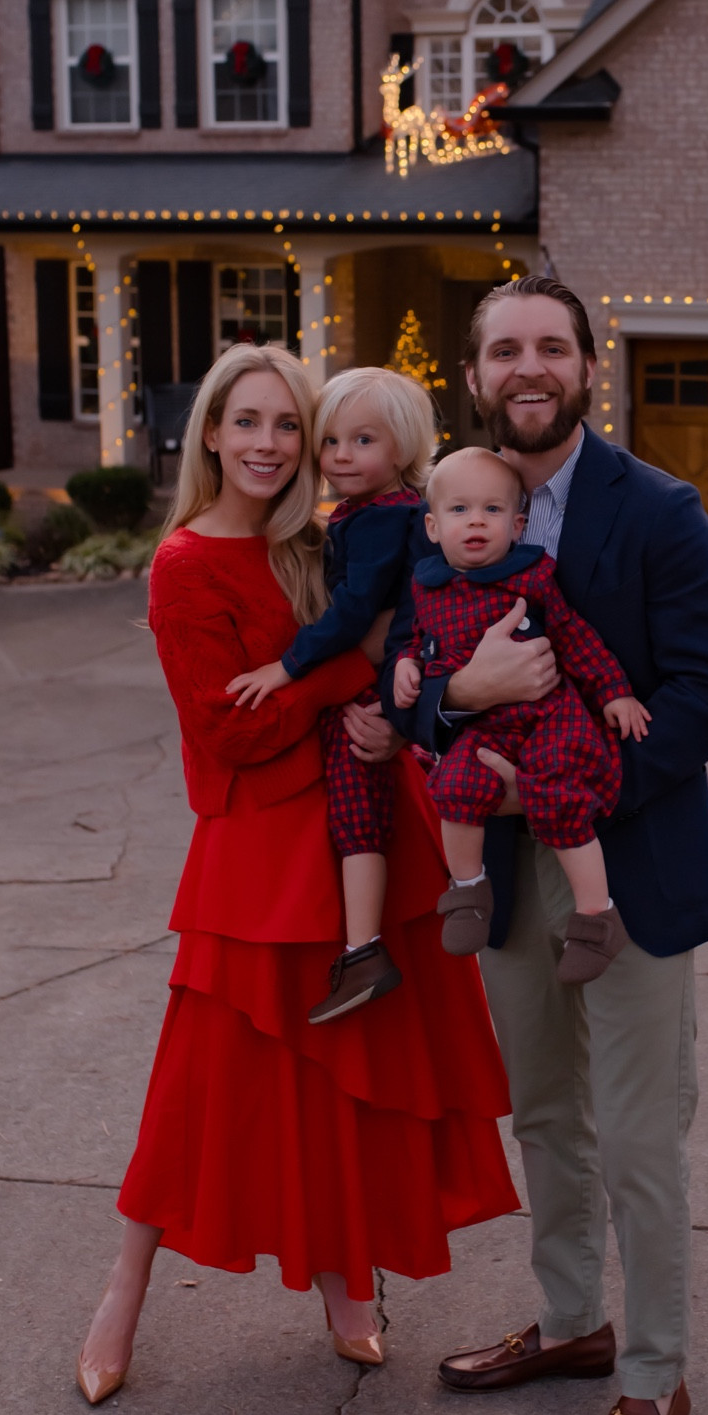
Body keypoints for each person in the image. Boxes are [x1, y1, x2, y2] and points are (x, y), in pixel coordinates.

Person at [76, 343, 516, 1406]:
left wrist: (386, 711)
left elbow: (394, 639)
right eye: (250, 422)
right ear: (212, 433)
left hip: (357, 832)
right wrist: (349, 678)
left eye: (289, 424)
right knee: (198, 1085)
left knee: (347, 1071)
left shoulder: (314, 542)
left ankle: (345, 1287)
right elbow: (231, 733)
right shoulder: (185, 562)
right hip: (254, 854)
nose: (271, 444)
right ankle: (120, 1294)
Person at [383, 273, 708, 1415]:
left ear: (585, 365)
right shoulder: (446, 515)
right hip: (503, 873)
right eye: (503, 350)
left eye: (551, 345)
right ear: (475, 376)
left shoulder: (659, 510)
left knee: (641, 1133)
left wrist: (581, 786)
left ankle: (652, 1374)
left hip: (620, 862)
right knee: (544, 1111)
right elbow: (418, 680)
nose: (527, 366)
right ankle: (571, 1318)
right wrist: (458, 704)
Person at [226, 366, 436, 1025]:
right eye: (331, 441)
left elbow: (351, 612)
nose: (342, 455)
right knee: (359, 805)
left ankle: (364, 949)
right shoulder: (372, 512)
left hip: (383, 683)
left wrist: (286, 668)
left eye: (363, 441)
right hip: (395, 670)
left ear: (401, 449)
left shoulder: (380, 519)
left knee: (356, 809)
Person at [392, 446, 650, 980]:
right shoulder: (428, 585)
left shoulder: (529, 578)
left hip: (548, 717)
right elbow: (422, 640)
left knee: (558, 795)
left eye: (491, 511)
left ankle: (597, 916)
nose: (476, 522)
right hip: (486, 728)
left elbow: (577, 639)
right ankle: (467, 892)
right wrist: (407, 664)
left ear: (517, 525)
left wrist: (613, 691)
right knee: (455, 785)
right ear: (435, 528)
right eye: (460, 511)